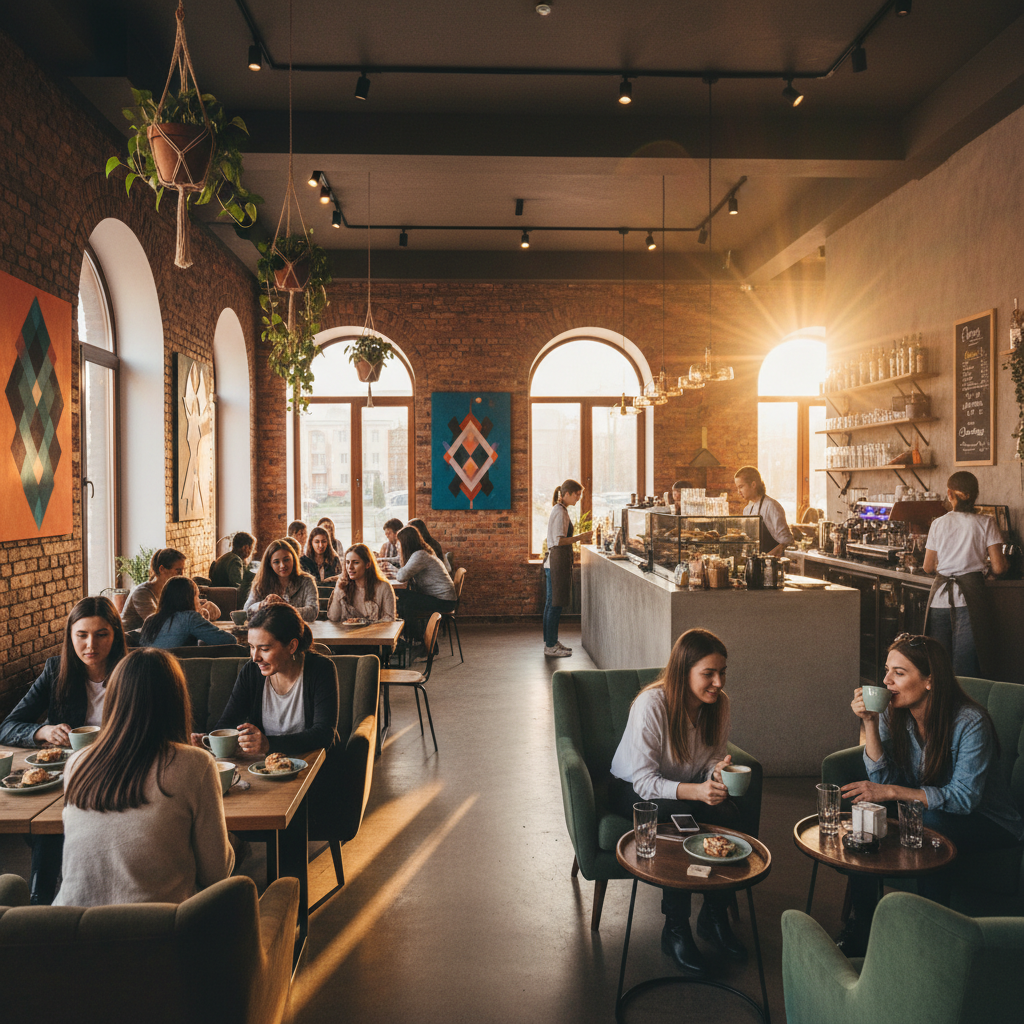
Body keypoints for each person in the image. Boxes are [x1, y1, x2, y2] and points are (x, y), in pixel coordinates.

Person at [837, 634, 1023, 956]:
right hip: (925, 809)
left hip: (990, 821)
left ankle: (928, 942)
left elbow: (964, 798)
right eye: (886, 671)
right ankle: (862, 926)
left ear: (929, 682)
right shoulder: (893, 713)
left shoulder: (970, 722)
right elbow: (882, 778)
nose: (886, 681)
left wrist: (892, 792)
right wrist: (870, 721)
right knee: (864, 810)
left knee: (927, 824)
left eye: (899, 672)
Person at [609, 628, 747, 976]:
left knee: (728, 812)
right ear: (683, 671)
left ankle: (714, 915)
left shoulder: (719, 705)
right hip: (632, 791)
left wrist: (716, 774)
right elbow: (643, 781)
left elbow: (709, 759)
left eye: (722, 672)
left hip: (681, 790)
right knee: (681, 815)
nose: (718, 682)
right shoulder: (652, 705)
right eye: (708, 673)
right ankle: (675, 929)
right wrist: (698, 791)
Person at [54, 648, 234, 906]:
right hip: (157, 933)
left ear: (114, 699)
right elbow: (216, 874)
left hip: (68, 934)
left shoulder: (76, 763)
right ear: (175, 700)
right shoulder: (195, 764)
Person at [0, 596, 128, 904]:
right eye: (81, 635)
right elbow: (8, 726)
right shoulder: (56, 670)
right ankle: (39, 901)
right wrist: (41, 730)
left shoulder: (132, 670)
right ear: (70, 636)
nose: (90, 645)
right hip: (68, 777)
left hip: (121, 769)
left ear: (116, 635)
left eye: (101, 634)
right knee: (56, 816)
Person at [195, 603, 339, 760]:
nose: (255, 657)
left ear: (291, 646)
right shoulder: (251, 671)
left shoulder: (320, 669)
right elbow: (228, 722)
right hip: (266, 768)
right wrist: (209, 742)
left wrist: (268, 744)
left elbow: (324, 734)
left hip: (314, 767)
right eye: (251, 647)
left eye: (264, 649)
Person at [922, 471, 1007, 676]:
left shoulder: (938, 523)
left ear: (949, 494)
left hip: (939, 599)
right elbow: (999, 567)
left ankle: (939, 707)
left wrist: (946, 564)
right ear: (975, 495)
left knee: (938, 664)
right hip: (970, 599)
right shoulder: (986, 522)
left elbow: (927, 566)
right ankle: (965, 708)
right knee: (965, 666)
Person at [542, 480, 592, 658]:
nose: (578, 498)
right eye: (577, 494)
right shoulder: (560, 512)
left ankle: (552, 642)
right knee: (554, 605)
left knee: (552, 604)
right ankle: (550, 645)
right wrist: (582, 536)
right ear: (568, 494)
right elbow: (559, 540)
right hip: (555, 563)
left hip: (555, 563)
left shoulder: (560, 510)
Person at [395, 524, 457, 642]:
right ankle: (411, 637)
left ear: (406, 543)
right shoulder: (421, 553)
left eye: (398, 543)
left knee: (402, 600)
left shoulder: (419, 556)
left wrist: (401, 563)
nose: (397, 546)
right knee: (400, 596)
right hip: (442, 598)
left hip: (444, 602)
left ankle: (419, 640)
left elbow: (401, 576)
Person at [139, 577, 236, 649]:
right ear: (188, 599)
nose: (199, 600)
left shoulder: (150, 619)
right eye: (197, 596)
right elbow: (229, 640)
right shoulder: (189, 618)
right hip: (174, 671)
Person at [244, 538, 319, 621]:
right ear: (269, 564)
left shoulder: (306, 581)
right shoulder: (261, 582)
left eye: (286, 560)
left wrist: (283, 608)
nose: (282, 565)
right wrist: (262, 604)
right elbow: (247, 611)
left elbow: (313, 612)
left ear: (293, 559)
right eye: (276, 562)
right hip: (268, 631)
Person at [733, 466, 793, 557]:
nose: (738, 492)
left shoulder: (771, 506)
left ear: (753, 485)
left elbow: (786, 541)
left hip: (770, 564)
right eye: (737, 488)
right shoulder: (747, 510)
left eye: (741, 487)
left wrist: (765, 558)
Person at [328, 544, 396, 623]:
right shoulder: (343, 586)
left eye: (356, 562)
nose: (350, 567)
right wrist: (338, 591)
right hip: (347, 634)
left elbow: (390, 619)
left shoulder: (383, 587)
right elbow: (333, 618)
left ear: (367, 564)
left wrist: (361, 622)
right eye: (347, 562)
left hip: (376, 634)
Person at [211, 531, 256, 602]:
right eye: (252, 549)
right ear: (245, 548)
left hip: (217, 596)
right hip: (227, 600)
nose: (253, 552)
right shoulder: (235, 561)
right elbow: (237, 587)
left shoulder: (225, 557)